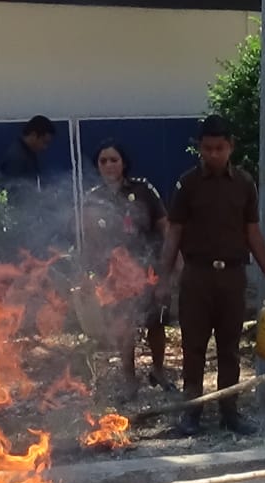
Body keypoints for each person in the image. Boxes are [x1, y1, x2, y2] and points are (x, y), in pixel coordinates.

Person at [158, 115, 265, 437]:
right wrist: (163, 279)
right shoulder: (186, 184)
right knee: (193, 348)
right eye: (207, 148)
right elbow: (174, 233)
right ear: (199, 148)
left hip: (232, 278)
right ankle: (192, 414)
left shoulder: (244, 184)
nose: (213, 154)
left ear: (231, 147)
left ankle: (230, 411)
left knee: (230, 349)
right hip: (196, 279)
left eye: (220, 148)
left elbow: (253, 232)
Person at [81, 140, 172, 400]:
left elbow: (164, 225)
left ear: (124, 163)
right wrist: (87, 274)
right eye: (103, 161)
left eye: (114, 160)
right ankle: (129, 379)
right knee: (124, 326)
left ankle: (158, 371)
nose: (109, 165)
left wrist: (167, 262)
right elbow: (88, 239)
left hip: (146, 267)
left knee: (156, 322)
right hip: (114, 274)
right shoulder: (93, 198)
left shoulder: (143, 190)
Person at [0, 115, 59, 258]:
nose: (45, 147)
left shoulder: (27, 154)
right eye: (44, 142)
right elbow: (14, 192)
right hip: (20, 223)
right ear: (33, 135)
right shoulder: (17, 157)